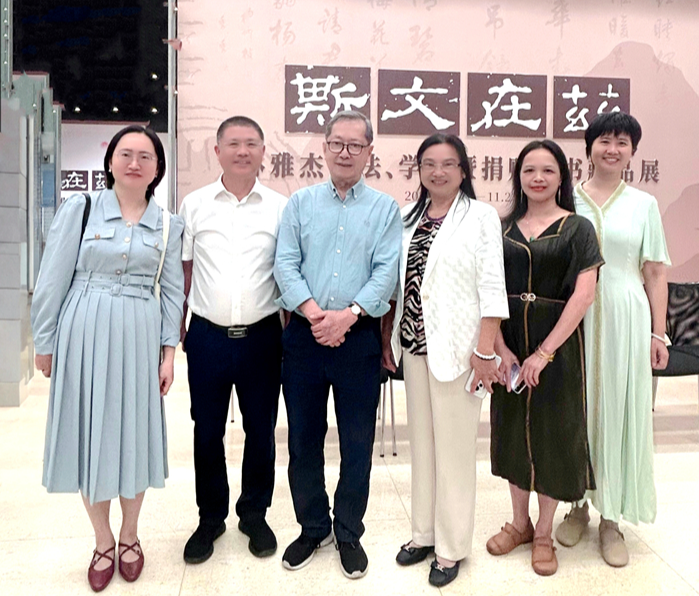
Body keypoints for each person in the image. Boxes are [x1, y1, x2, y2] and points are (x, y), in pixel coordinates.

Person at [31, 125, 184, 592]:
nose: (134, 163)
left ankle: (130, 535)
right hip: (84, 330)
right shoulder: (80, 209)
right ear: (111, 162)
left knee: (133, 435)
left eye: (145, 156)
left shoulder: (168, 224)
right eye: (126, 154)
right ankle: (102, 540)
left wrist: (168, 354)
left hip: (139, 334)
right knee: (89, 435)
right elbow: (52, 278)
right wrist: (45, 341)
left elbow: (172, 294)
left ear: (157, 169)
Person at [274, 110, 401, 579]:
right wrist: (315, 315)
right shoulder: (300, 203)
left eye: (355, 145)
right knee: (303, 440)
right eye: (337, 144)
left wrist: (347, 317)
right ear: (324, 147)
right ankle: (313, 528)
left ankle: (348, 531)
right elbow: (285, 263)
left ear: (369, 152)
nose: (345, 152)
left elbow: (386, 272)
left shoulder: (385, 210)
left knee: (357, 443)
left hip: (358, 337)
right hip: (305, 337)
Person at [381, 134, 508, 588]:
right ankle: (424, 534)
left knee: (454, 454)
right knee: (422, 448)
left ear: (463, 170)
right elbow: (398, 284)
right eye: (429, 164)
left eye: (448, 164)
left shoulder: (480, 216)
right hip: (415, 348)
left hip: (460, 352)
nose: (438, 172)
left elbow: (492, 286)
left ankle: (451, 547)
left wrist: (485, 350)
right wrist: (389, 336)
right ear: (418, 170)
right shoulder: (406, 217)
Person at [555, 112, 670, 567]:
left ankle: (611, 518)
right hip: (574, 318)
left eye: (622, 142)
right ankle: (576, 504)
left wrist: (658, 332)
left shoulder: (644, 204)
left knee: (619, 411)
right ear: (589, 148)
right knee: (576, 408)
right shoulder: (567, 200)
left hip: (626, 316)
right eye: (604, 140)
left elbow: (654, 272)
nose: (613, 149)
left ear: (632, 152)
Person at [486, 140, 603, 576]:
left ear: (561, 178)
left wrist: (543, 353)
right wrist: (501, 349)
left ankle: (543, 533)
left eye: (548, 170)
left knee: (554, 432)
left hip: (557, 345)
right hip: (508, 340)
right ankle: (520, 523)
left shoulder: (578, 228)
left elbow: (584, 295)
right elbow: (487, 290)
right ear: (518, 177)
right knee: (512, 430)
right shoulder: (500, 228)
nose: (538, 178)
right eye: (529, 170)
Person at [179, 116, 287, 564]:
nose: (243, 151)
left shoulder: (281, 207)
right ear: (217, 150)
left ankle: (254, 514)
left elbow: (288, 272)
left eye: (252, 144)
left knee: (261, 430)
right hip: (207, 336)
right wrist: (177, 329)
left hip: (263, 337)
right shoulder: (194, 204)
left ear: (263, 152)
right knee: (206, 431)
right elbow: (184, 271)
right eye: (234, 144)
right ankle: (210, 518)